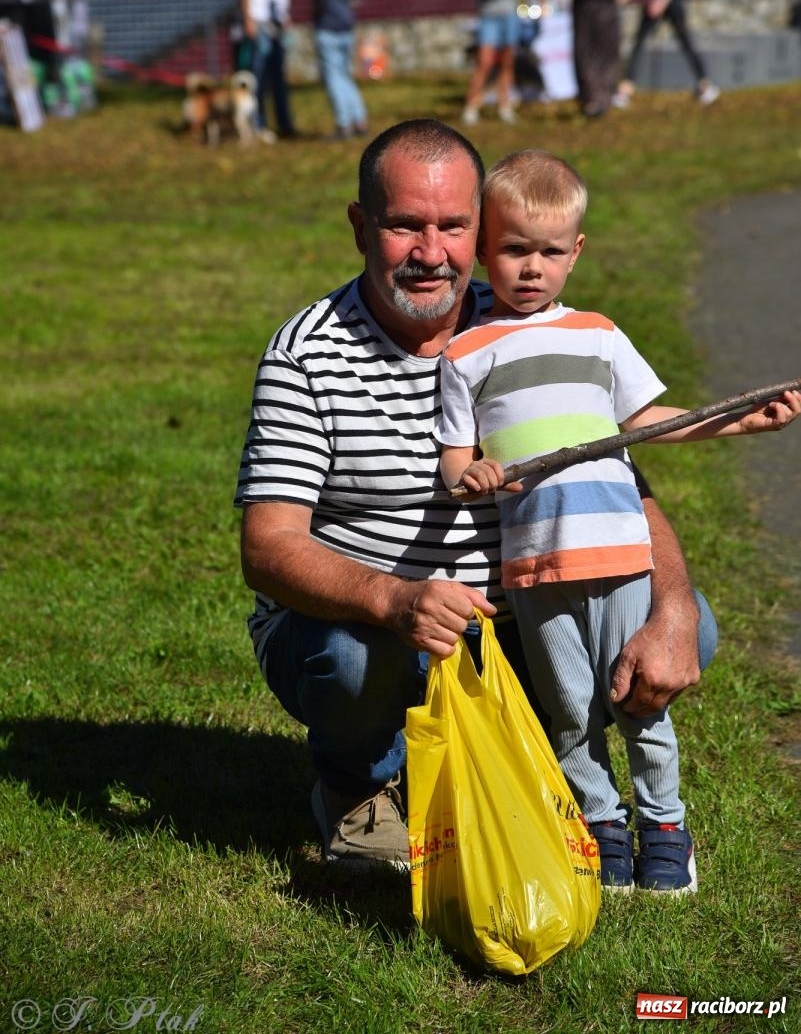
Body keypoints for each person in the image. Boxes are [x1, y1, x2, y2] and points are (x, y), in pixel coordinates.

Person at [235, 119, 718, 873]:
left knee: (683, 626)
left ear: (482, 230)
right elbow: (268, 548)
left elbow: (614, 470)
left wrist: (677, 606)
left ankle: (567, 779)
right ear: (360, 226)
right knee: (350, 659)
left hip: (523, 609)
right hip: (377, 625)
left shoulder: (526, 323)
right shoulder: (305, 354)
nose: (431, 254)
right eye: (403, 226)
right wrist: (395, 599)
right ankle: (360, 787)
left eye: (453, 227)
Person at [437, 149, 800, 892]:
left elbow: (648, 423)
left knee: (636, 703)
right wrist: (469, 474)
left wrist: (740, 423)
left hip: (620, 559)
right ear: (483, 250)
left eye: (548, 251)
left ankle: (663, 824)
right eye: (512, 250)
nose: (530, 268)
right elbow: (453, 462)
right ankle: (600, 824)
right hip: (535, 571)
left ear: (576, 253)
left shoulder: (599, 336)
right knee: (570, 712)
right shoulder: (464, 353)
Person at [306, 0, 369, 141]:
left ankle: (343, 124)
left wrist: (318, 14)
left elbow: (323, 0)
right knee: (344, 74)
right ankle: (359, 119)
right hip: (346, 26)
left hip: (328, 26)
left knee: (333, 77)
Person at [240, 0, 299, 141]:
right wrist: (248, 19)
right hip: (260, 21)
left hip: (277, 23)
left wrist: (285, 16)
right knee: (259, 75)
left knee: (279, 76)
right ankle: (257, 123)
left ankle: (285, 123)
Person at [460, 0, 522, 126]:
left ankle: (505, 105)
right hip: (489, 17)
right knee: (484, 62)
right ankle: (471, 106)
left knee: (507, 62)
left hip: (509, 15)